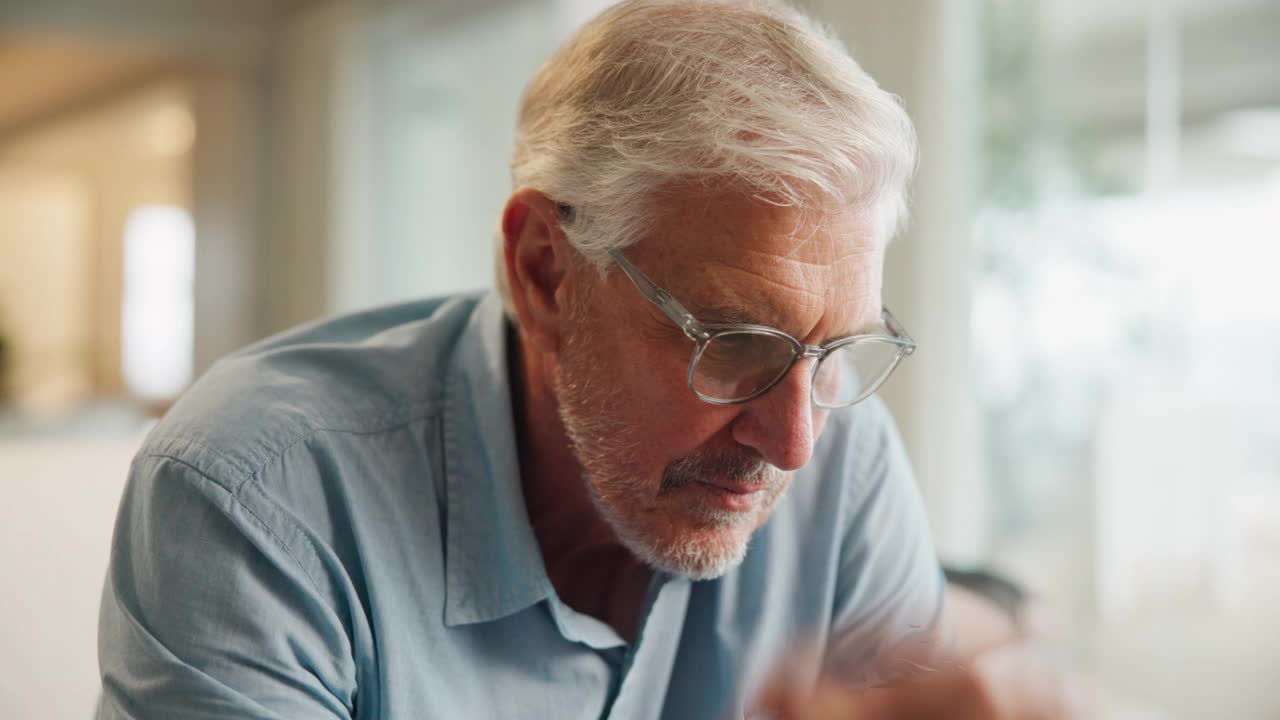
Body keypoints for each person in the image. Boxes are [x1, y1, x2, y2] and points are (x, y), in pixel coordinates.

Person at [96, 1, 1075, 718]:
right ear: (544, 272)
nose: (792, 444)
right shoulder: (258, 494)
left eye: (832, 353)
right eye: (733, 345)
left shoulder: (846, 467)